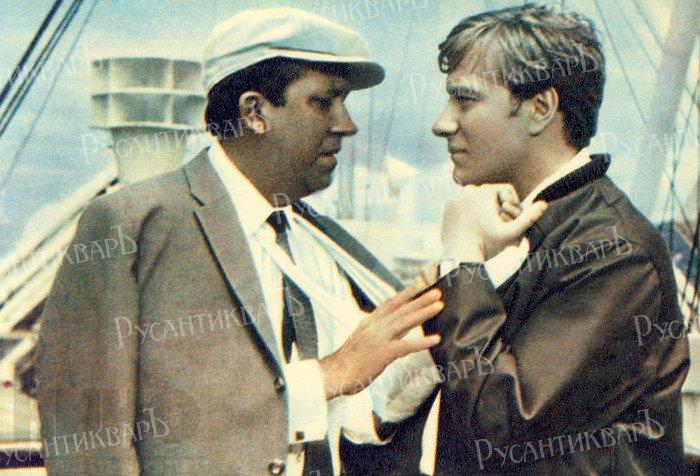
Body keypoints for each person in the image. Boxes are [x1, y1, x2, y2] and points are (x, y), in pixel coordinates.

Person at [35, 8, 442, 475]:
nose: (347, 124)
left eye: (344, 103)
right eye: (323, 102)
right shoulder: (133, 225)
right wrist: (327, 376)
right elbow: (89, 440)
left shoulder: (323, 242)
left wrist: (421, 356)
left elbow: (349, 421)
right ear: (255, 112)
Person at [419, 3, 690, 474]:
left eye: (465, 100)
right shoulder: (555, 226)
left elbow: (500, 423)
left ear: (540, 109)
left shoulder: (614, 251)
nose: (442, 123)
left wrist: (462, 256)